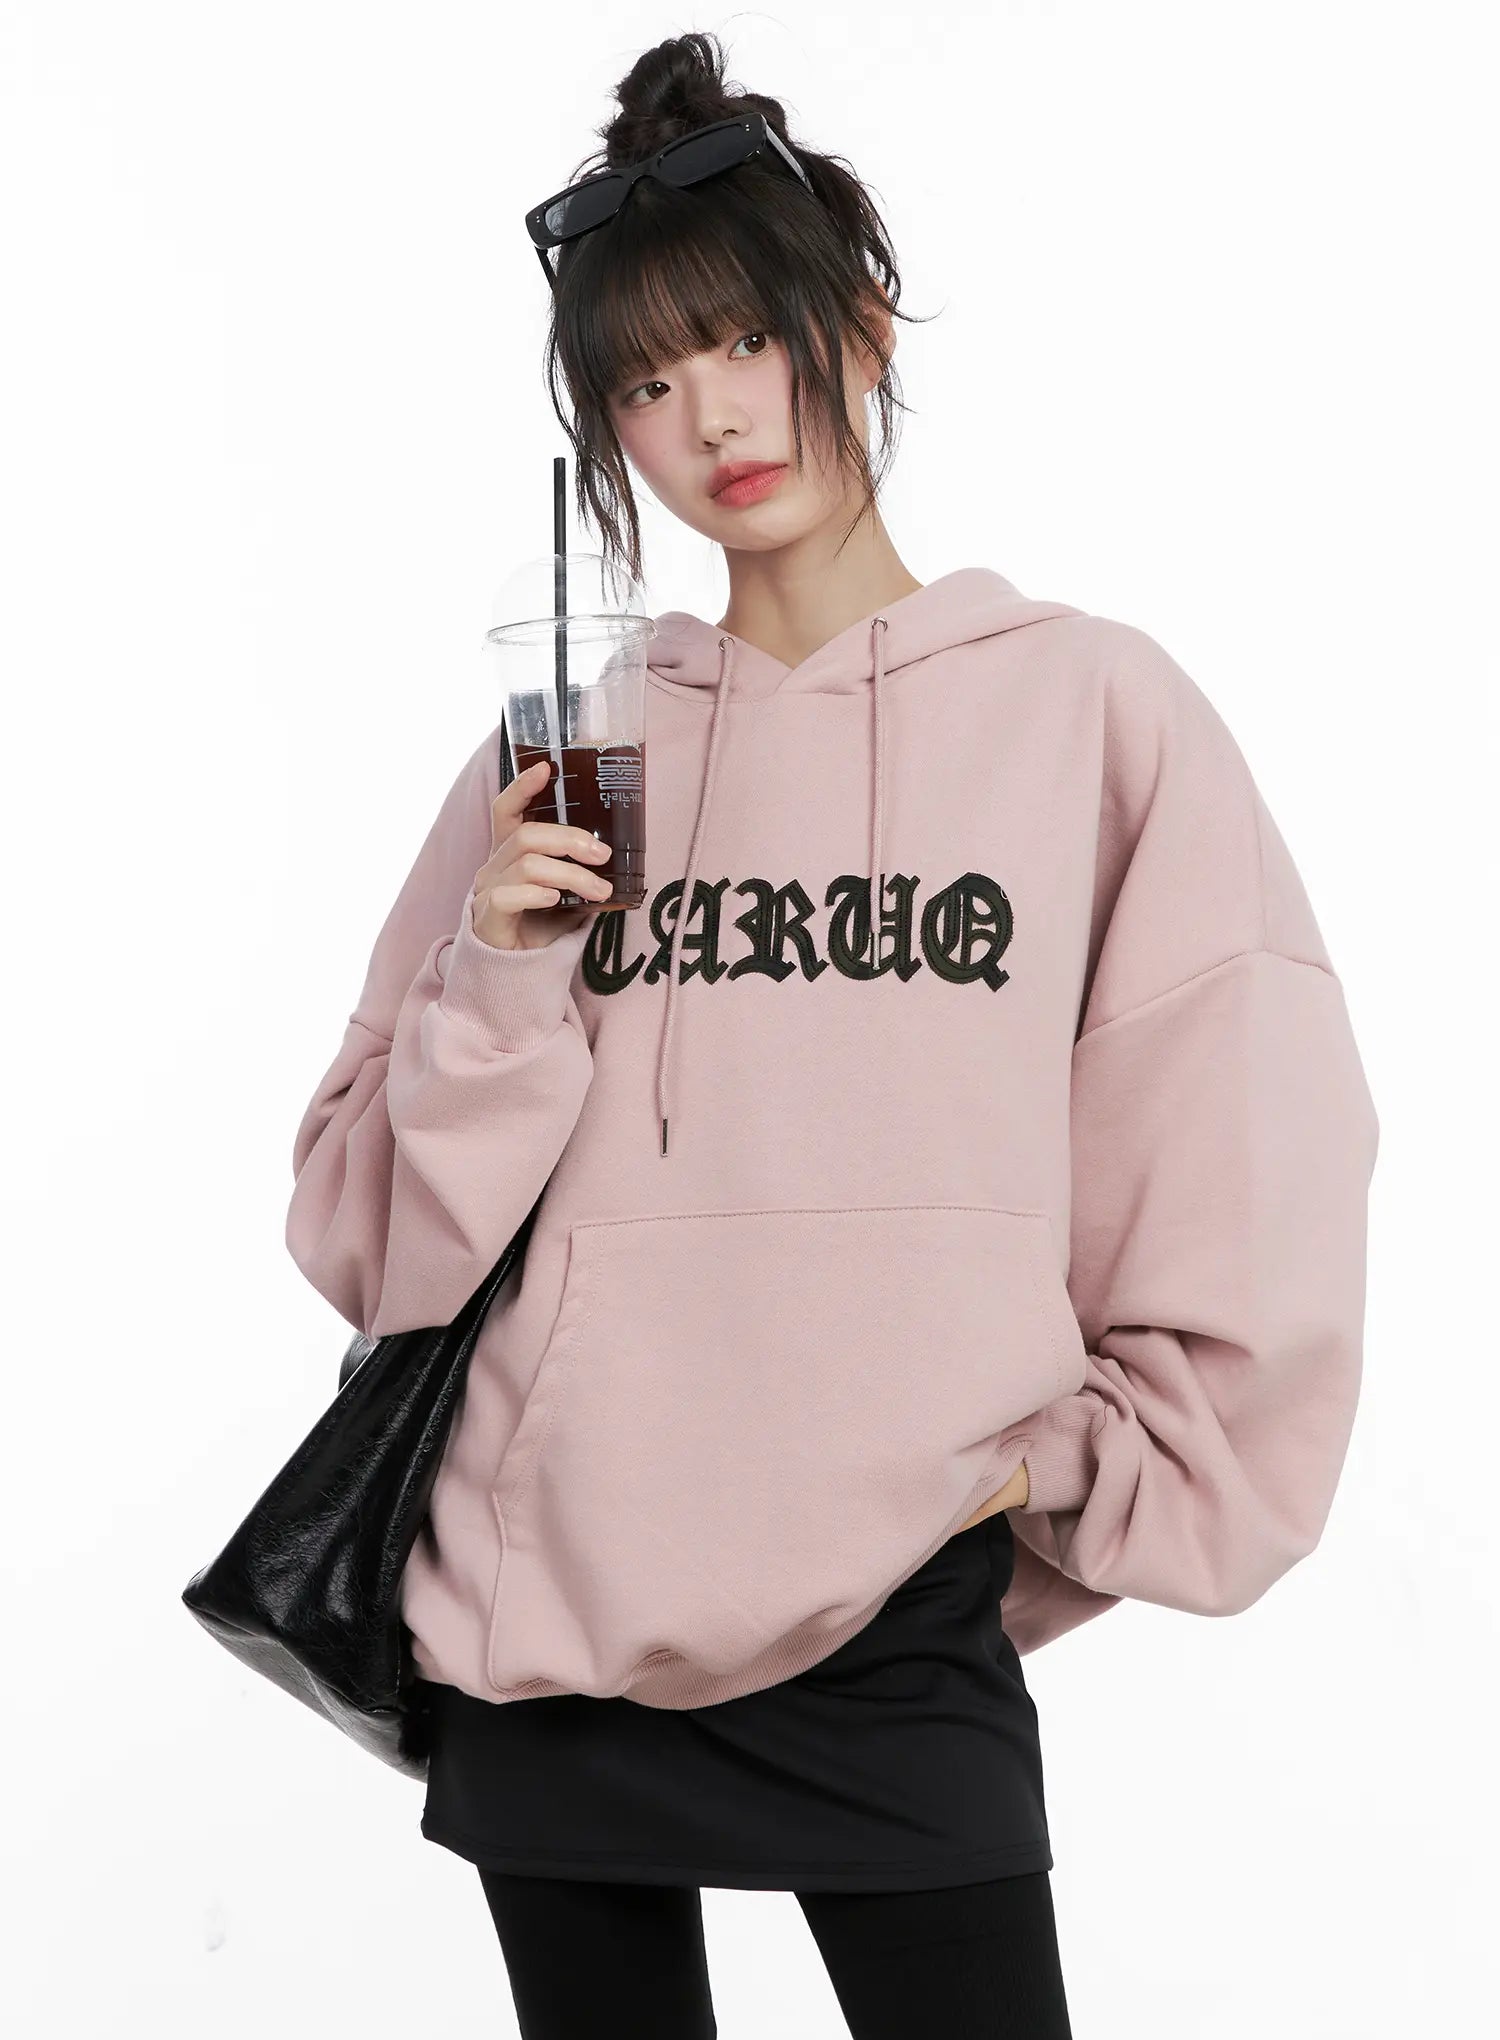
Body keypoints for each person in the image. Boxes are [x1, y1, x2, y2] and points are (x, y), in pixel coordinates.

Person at [284, 30, 1380, 2040]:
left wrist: (1071, 1466)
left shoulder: (1091, 711)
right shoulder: (571, 749)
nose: (707, 416)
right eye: (642, 380)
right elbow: (370, 1235)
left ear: (856, 326)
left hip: (892, 1608)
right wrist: (502, 973)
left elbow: (1248, 1141)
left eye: (739, 341)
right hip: (552, 1618)